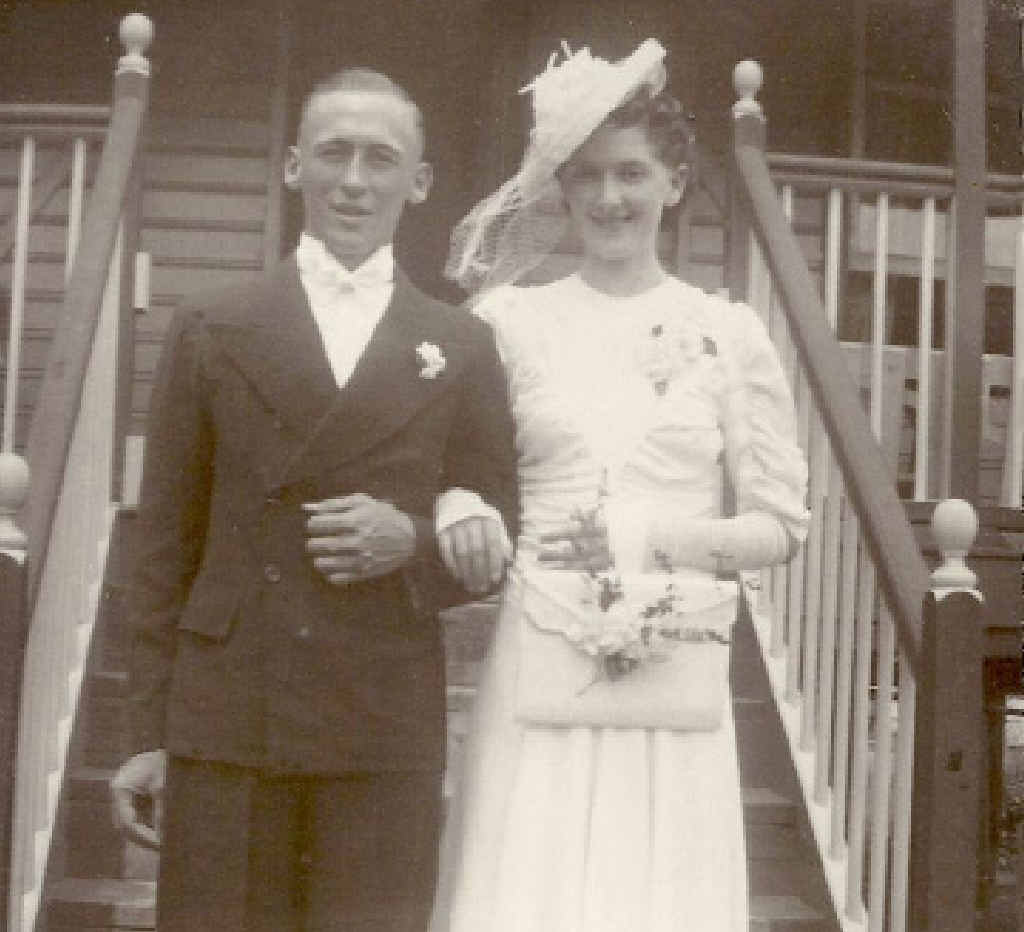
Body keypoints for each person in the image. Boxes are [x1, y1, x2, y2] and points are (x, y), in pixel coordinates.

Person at [109, 68, 518, 932]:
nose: (355, 180)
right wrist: (146, 731)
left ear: (421, 182)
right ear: (294, 166)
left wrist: (412, 538)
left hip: (378, 712)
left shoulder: (461, 343)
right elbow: (162, 545)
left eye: (382, 157)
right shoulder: (211, 322)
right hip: (230, 709)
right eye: (334, 153)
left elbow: (497, 528)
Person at [429, 40, 810, 932]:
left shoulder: (724, 333)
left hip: (671, 654)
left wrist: (648, 538)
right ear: (560, 188)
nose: (610, 198)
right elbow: (459, 472)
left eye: (633, 174)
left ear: (674, 182)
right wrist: (462, 508)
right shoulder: (508, 322)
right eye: (589, 176)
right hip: (541, 646)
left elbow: (781, 525)